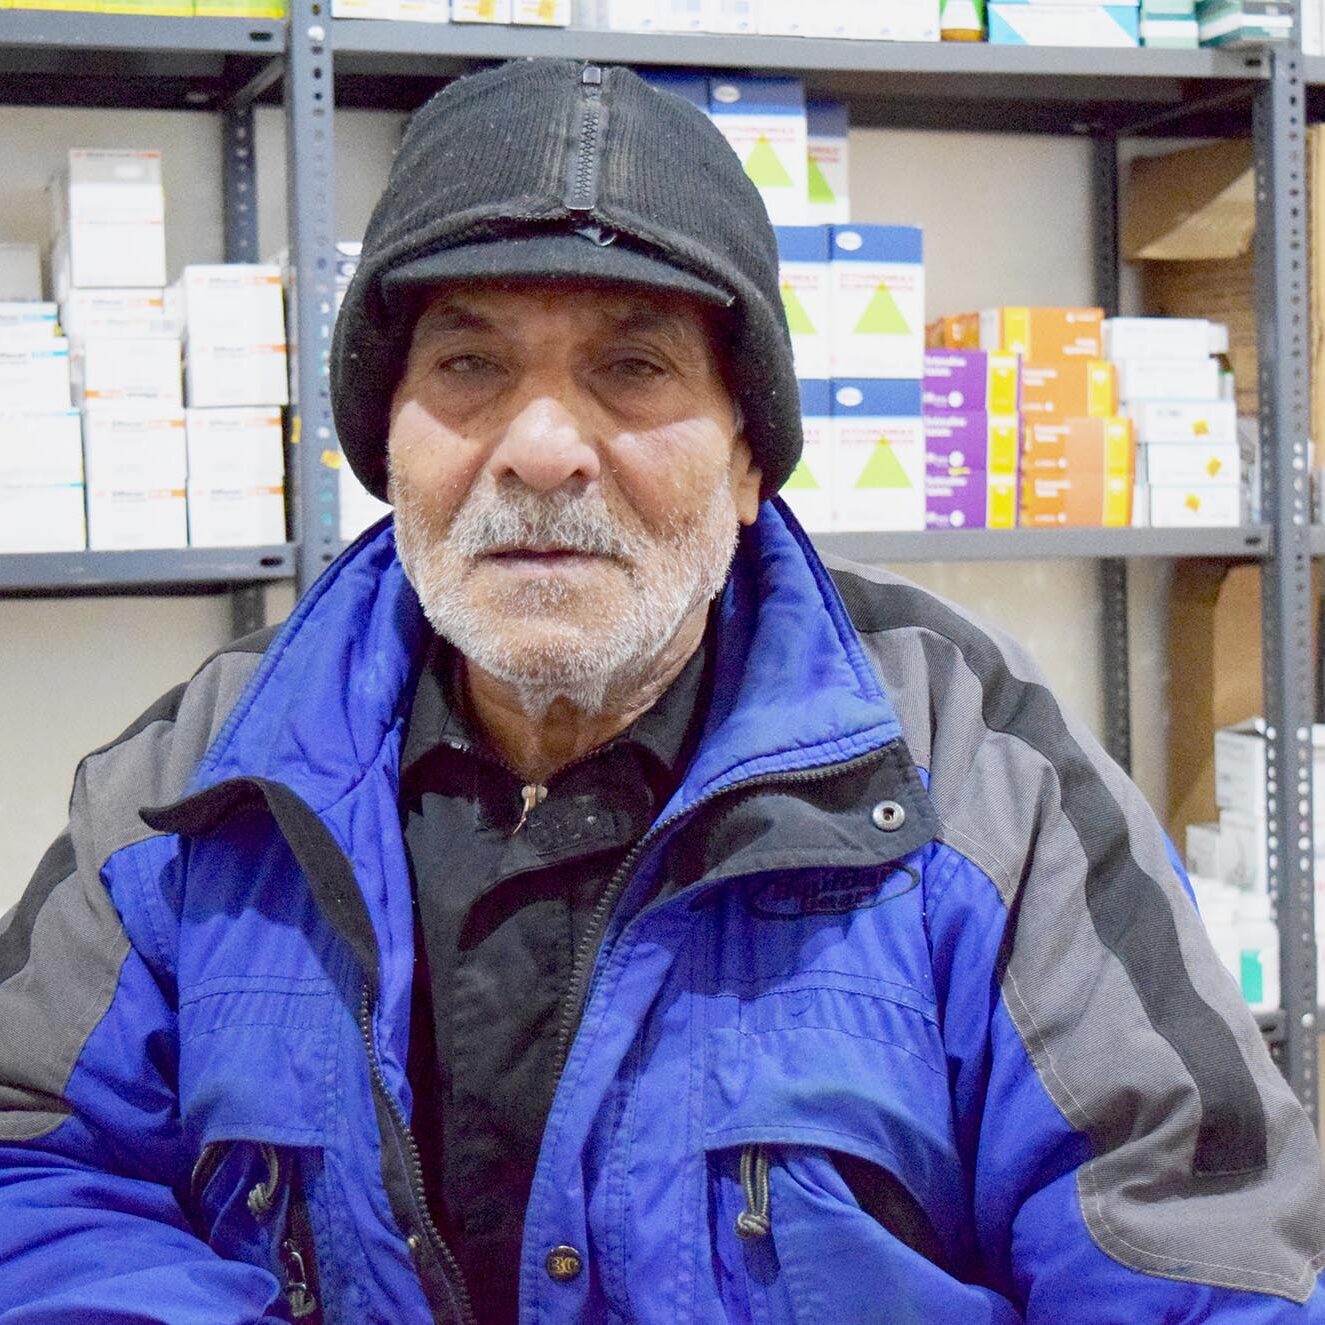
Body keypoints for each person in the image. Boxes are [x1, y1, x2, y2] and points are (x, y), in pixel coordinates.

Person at [0, 57, 1322, 1325]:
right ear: (383, 440)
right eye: (468, 367)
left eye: (631, 369)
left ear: (750, 462)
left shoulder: (973, 772)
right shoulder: (197, 780)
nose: (540, 448)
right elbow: (31, 1162)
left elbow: (1198, 1242)